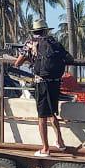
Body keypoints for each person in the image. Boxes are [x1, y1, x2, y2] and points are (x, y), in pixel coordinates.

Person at [12, 19, 70, 157]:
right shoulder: (53, 42)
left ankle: (45, 148)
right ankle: (60, 142)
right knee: (52, 112)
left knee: (42, 116)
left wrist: (30, 59)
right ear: (45, 30)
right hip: (55, 81)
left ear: (34, 31)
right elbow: (69, 58)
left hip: (41, 82)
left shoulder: (30, 43)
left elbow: (17, 63)